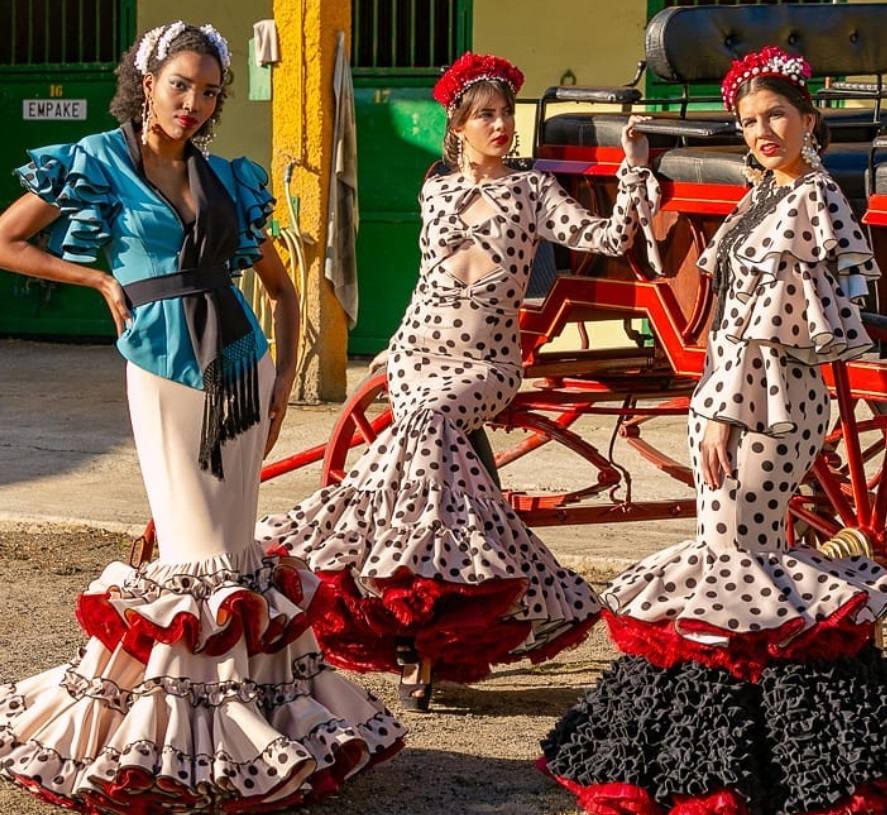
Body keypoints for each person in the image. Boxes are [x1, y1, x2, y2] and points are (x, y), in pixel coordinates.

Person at [0, 21, 404, 814]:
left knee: (235, 553)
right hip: (160, 370)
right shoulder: (95, 162)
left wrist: (285, 379)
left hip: (241, 368)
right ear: (146, 81)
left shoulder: (228, 179)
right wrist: (97, 282)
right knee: (194, 556)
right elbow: (8, 240)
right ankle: (183, 741)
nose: (192, 102)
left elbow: (285, 291)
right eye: (179, 84)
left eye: (208, 91)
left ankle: (244, 730)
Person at [256, 52, 664, 711]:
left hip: (486, 364)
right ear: (458, 126)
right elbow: (428, 284)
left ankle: (407, 611)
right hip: (421, 351)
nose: (501, 125)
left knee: (421, 430)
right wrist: (391, 347)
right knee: (431, 460)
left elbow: (608, 237)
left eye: (505, 114)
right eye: (486, 115)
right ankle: (426, 634)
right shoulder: (435, 191)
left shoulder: (531, 192)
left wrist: (632, 167)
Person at [540, 45, 887, 815]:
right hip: (735, 394)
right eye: (749, 121)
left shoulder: (808, 199)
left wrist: (724, 411)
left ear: (808, 118)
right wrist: (712, 400)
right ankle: (766, 757)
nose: (763, 132)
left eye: (777, 117)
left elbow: (769, 330)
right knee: (736, 567)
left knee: (735, 566)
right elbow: (732, 318)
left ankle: (744, 764)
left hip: (765, 404)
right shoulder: (767, 192)